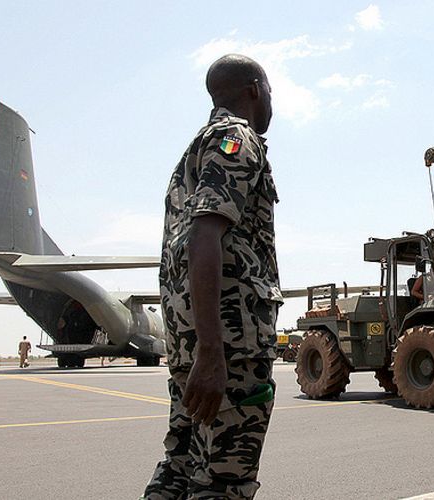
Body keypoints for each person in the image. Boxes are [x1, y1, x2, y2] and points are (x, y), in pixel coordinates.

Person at [143, 54, 279, 500]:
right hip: (228, 346)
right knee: (224, 482)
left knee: (180, 471)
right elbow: (205, 236)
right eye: (271, 91)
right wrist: (212, 350)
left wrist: (197, 347)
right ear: (255, 90)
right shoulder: (236, 138)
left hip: (192, 344)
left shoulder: (194, 151)